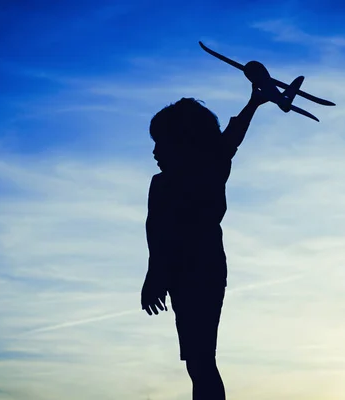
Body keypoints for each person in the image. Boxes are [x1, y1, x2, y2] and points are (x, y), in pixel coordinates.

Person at [141, 84, 269, 400]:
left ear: (182, 142)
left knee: (200, 362)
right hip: (196, 274)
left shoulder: (198, 173)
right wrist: (254, 101)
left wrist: (155, 277)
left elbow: (159, 236)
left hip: (198, 273)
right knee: (199, 362)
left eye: (161, 143)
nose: (155, 152)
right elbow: (157, 235)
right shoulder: (201, 171)